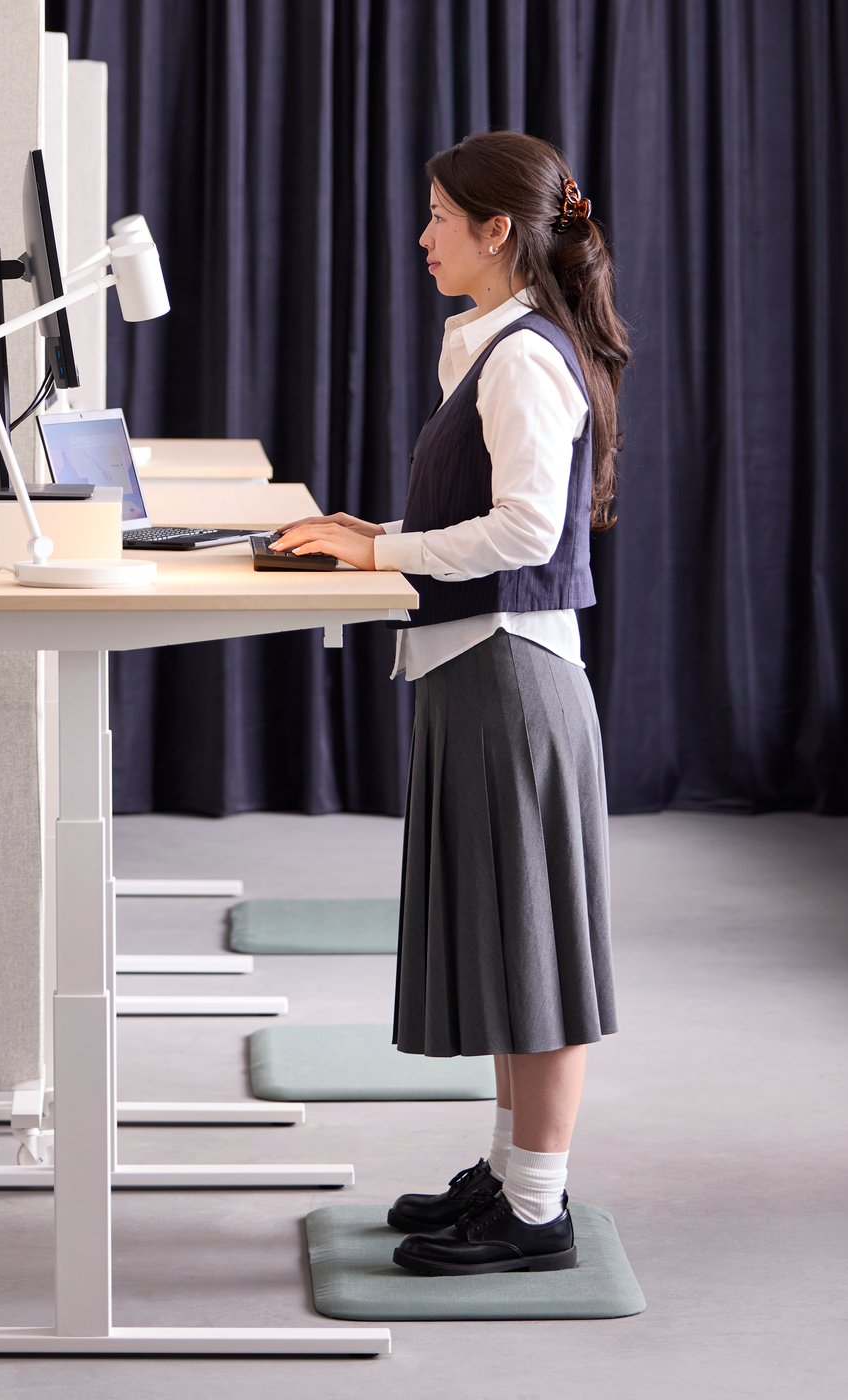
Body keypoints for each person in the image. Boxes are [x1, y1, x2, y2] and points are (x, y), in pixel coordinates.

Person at [273, 130, 630, 1276]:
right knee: (509, 945)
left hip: (508, 679)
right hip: (477, 672)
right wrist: (378, 541)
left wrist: (385, 545)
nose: (420, 237)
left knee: (536, 954)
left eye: (437, 217)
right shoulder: (487, 341)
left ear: (496, 230)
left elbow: (529, 530)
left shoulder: (522, 356)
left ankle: (536, 1208)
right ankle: (510, 1172)